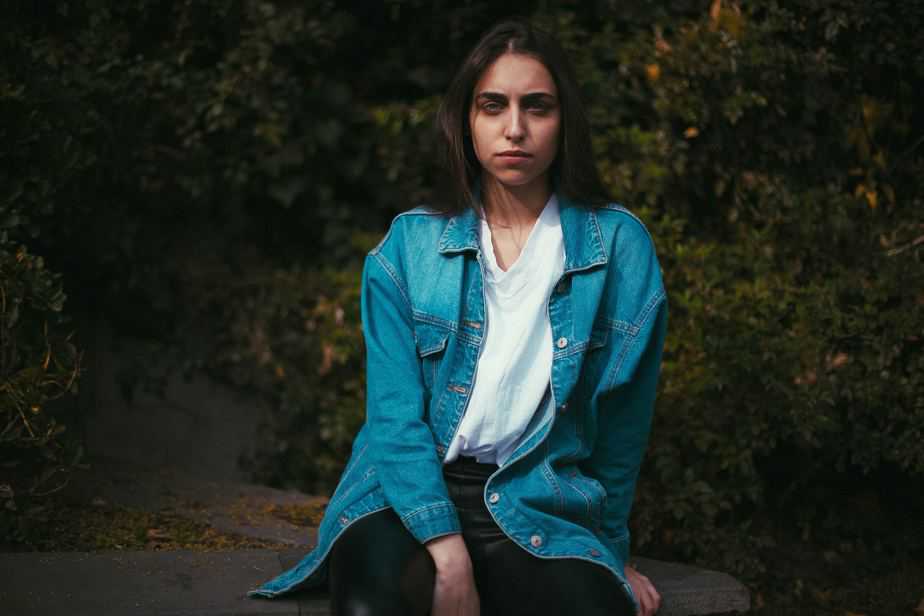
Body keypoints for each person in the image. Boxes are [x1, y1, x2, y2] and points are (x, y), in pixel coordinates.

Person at [249, 18, 667, 616]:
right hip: (405, 497)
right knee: (369, 608)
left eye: (537, 107)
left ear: (565, 121)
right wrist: (447, 550)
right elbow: (394, 420)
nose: (514, 128)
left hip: (538, 499)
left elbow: (623, 428)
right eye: (493, 106)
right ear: (465, 121)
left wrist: (607, 548)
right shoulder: (408, 249)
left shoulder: (619, 247)